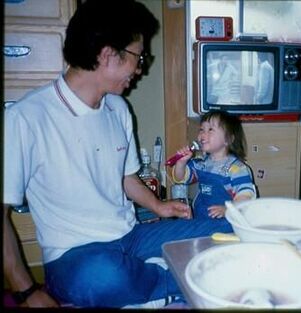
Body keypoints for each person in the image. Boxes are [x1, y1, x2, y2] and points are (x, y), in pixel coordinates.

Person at [3, 0, 232, 308]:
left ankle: (163, 280)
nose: (140, 69)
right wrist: (27, 291)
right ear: (108, 54)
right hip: (76, 256)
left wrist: (159, 206)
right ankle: (184, 278)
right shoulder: (26, 117)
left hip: (131, 237)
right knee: (103, 278)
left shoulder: (118, 108)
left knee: (228, 228)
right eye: (138, 58)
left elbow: (125, 177)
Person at [171, 110, 257, 219]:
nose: (202, 134)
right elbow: (181, 177)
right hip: (201, 219)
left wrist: (228, 210)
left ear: (228, 139)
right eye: (201, 129)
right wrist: (181, 162)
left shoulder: (236, 169)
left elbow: (246, 197)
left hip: (227, 223)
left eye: (210, 129)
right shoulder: (202, 163)